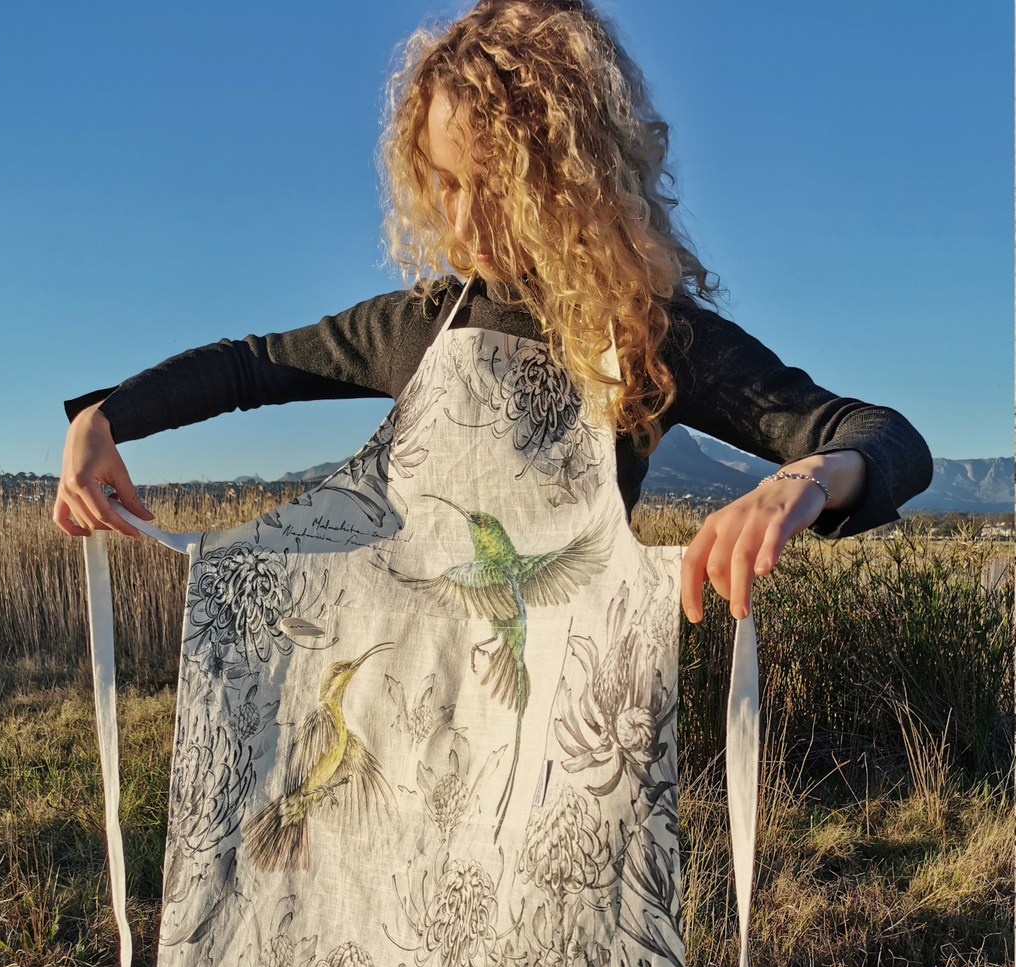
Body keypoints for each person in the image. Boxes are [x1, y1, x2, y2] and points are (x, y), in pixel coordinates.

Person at [52, 1, 930, 622]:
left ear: (569, 180)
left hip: (572, 751)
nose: (461, 220)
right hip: (420, 728)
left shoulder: (649, 339)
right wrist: (104, 418)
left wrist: (800, 481)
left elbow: (883, 435)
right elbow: (249, 366)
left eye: (495, 186)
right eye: (442, 182)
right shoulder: (424, 325)